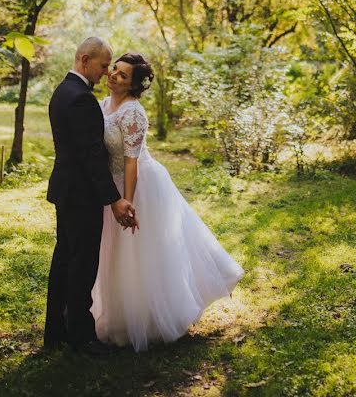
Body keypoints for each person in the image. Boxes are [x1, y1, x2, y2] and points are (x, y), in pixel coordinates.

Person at [91, 52, 244, 352]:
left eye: (122, 75)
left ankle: (149, 318)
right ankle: (116, 313)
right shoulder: (104, 104)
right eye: (114, 70)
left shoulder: (134, 112)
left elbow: (132, 162)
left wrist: (128, 203)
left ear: (133, 85)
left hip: (138, 185)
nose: (113, 76)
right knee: (112, 253)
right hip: (111, 186)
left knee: (141, 254)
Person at [44, 37, 138, 356]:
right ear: (85, 60)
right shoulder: (81, 99)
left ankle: (55, 330)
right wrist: (114, 199)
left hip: (65, 190)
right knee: (82, 267)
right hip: (81, 195)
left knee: (64, 261)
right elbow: (92, 157)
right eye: (102, 65)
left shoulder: (62, 91)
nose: (105, 73)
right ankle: (82, 337)